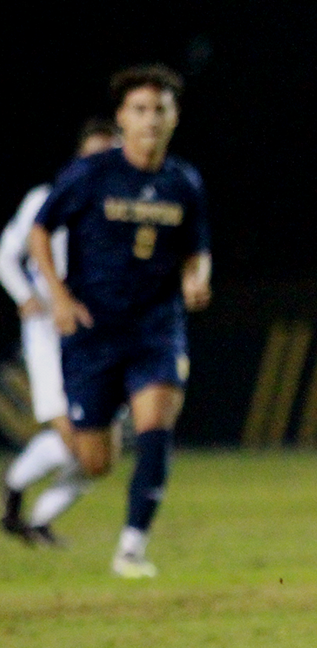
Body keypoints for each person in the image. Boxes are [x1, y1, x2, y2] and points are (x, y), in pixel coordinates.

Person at [30, 66, 211, 578]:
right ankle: (28, 482)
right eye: (139, 110)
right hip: (93, 332)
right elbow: (40, 232)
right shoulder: (92, 174)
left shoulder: (184, 182)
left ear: (174, 118)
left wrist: (197, 277)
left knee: (156, 427)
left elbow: (198, 249)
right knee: (96, 462)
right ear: (121, 118)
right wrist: (59, 297)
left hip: (156, 326)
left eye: (160, 109)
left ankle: (131, 548)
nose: (150, 119)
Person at [2, 117, 120, 546]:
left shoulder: (122, 209)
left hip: (101, 335)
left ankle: (35, 519)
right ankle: (14, 498)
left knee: (103, 453)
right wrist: (23, 294)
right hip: (50, 333)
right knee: (75, 437)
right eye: (93, 157)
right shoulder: (45, 199)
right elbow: (6, 252)